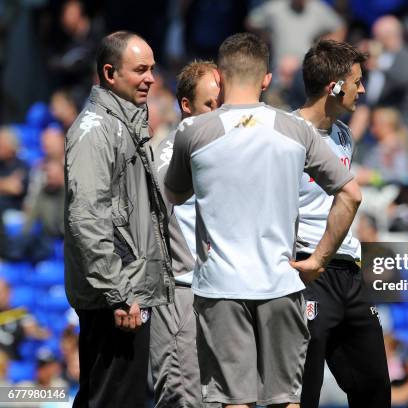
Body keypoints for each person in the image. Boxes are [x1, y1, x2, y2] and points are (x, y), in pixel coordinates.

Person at [164, 32, 361, 408]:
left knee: (235, 400)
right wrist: (319, 259)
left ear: (219, 79)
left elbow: (173, 195)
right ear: (266, 78)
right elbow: (351, 193)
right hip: (280, 281)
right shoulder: (296, 130)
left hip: (221, 285)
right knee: (285, 399)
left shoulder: (194, 132)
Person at [64, 31, 173, 408]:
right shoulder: (94, 132)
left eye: (153, 70)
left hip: (125, 291)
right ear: (110, 73)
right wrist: (120, 294)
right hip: (115, 297)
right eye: (140, 70)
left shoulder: (122, 125)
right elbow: (88, 219)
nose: (151, 79)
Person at [294, 39, 390, 408]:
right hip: (306, 271)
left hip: (349, 272)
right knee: (304, 392)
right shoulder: (286, 133)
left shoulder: (344, 135)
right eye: (356, 81)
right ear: (333, 85)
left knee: (375, 389)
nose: (362, 89)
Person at [151, 59, 220, 408]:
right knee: (184, 397)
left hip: (223, 295)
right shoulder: (164, 161)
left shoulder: (223, 152)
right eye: (210, 105)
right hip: (184, 295)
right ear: (186, 106)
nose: (218, 113)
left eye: (221, 104)